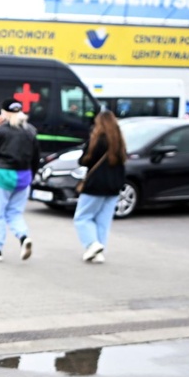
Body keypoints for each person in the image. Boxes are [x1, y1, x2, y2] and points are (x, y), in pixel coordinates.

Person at [0, 98, 40, 263]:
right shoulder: (31, 130)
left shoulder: (1, 131)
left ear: (4, 113)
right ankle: (23, 236)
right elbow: (36, 157)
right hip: (24, 176)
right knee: (15, 212)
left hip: (3, 175)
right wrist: (31, 176)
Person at [72, 110, 127, 265]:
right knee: (103, 220)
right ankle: (99, 252)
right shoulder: (119, 141)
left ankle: (92, 244)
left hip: (95, 185)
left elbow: (84, 160)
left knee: (82, 217)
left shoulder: (97, 140)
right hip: (114, 186)